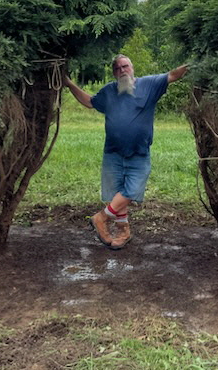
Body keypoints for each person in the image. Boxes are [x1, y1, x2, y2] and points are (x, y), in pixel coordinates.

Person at [64, 54, 188, 250]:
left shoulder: (149, 85)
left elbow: (173, 75)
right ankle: (123, 231)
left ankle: (101, 218)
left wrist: (195, 64)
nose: (122, 71)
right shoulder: (109, 92)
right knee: (116, 194)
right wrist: (69, 84)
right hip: (113, 152)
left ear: (132, 67)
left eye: (125, 66)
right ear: (114, 73)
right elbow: (89, 102)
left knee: (131, 190)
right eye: (118, 68)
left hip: (139, 153)